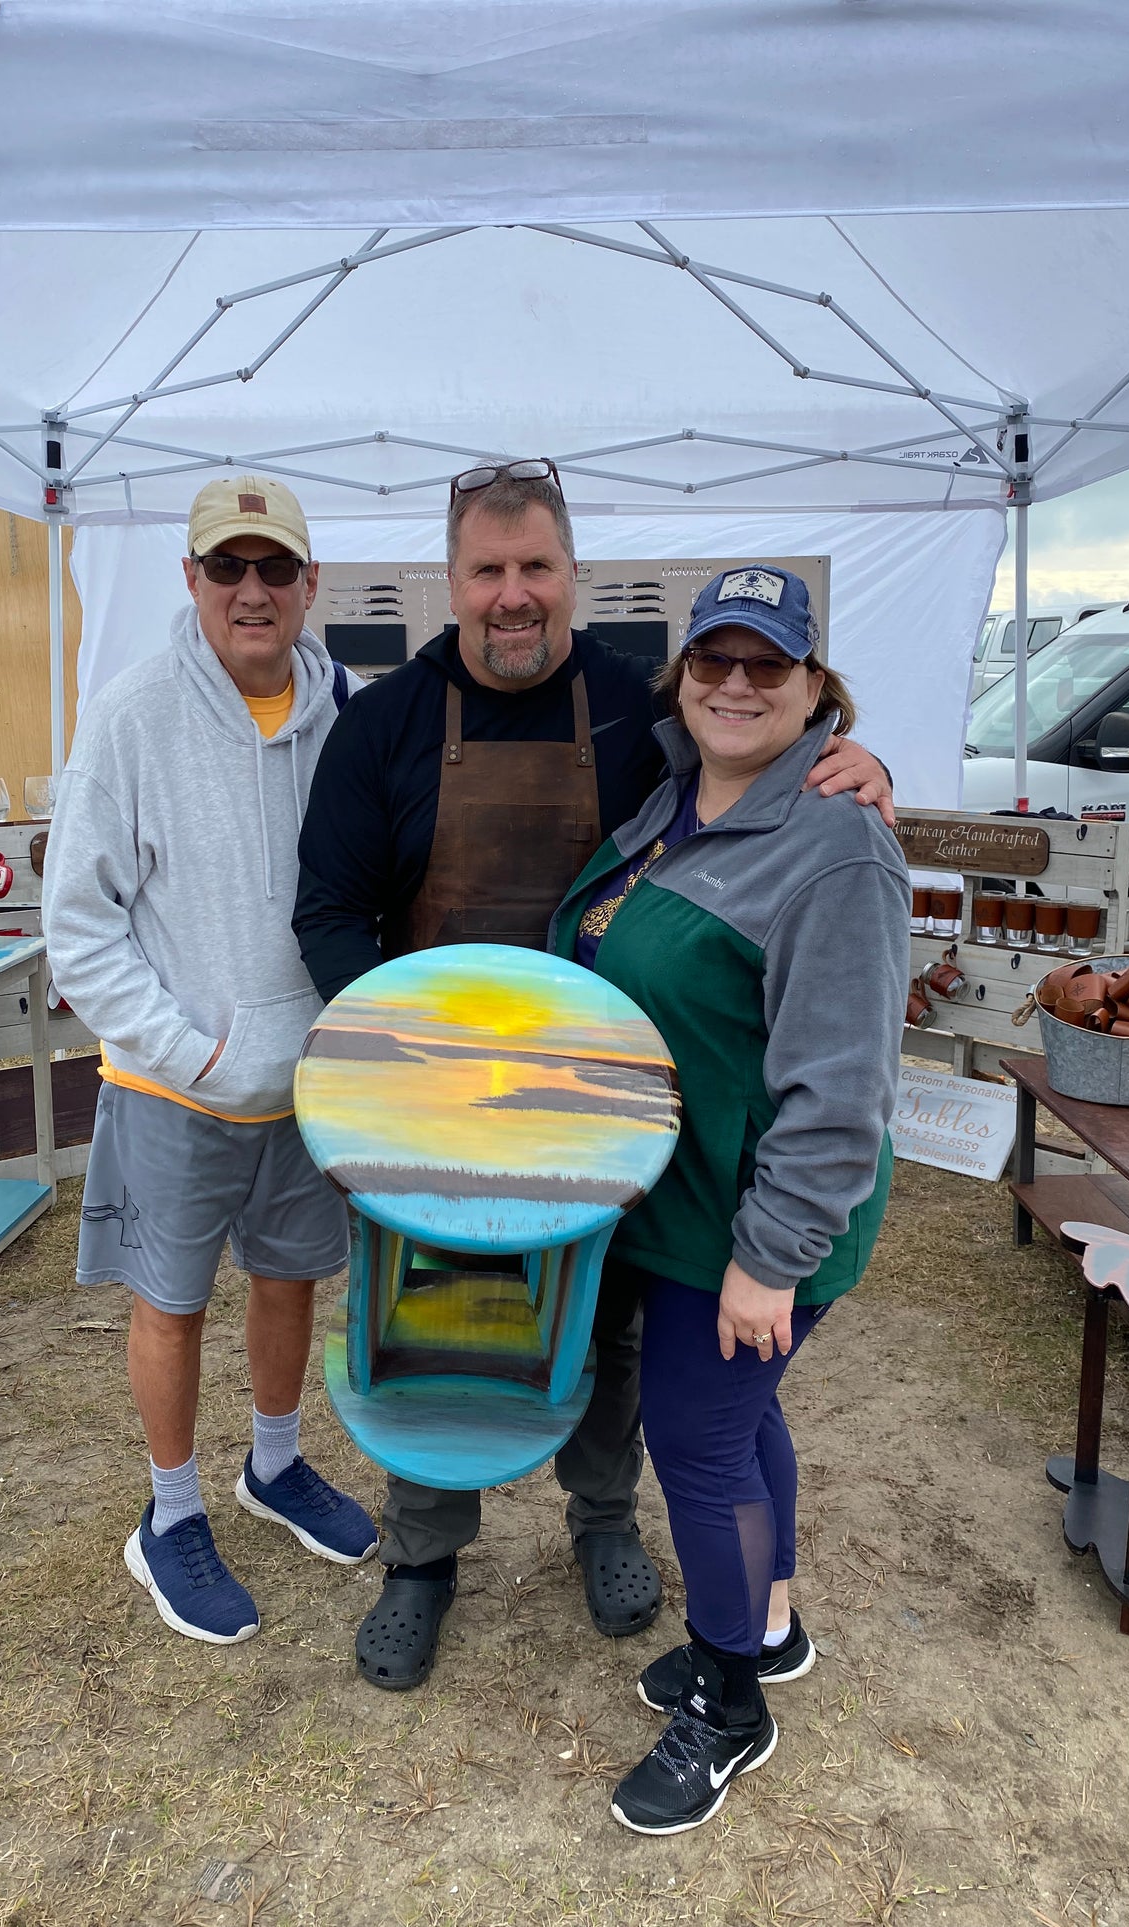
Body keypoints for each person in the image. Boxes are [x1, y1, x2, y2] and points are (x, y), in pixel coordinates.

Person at [292, 461, 896, 1690]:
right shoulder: (383, 725)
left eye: (535, 569)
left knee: (614, 1325)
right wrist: (400, 1059)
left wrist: (854, 758)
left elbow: (758, 784)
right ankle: (422, 1558)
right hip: (430, 1103)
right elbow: (328, 915)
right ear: (448, 582)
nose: (512, 596)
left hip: (602, 1110)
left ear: (569, 576)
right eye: (486, 571)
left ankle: (605, 1519)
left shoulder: (638, 713)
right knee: (427, 1321)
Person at [549, 563, 909, 1834]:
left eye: (770, 664)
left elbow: (840, 1085)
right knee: (738, 1421)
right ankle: (768, 1621)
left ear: (815, 688)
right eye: (716, 660)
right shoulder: (675, 802)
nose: (738, 683)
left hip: (750, 1223)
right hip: (680, 1201)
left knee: (696, 1439)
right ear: (682, 674)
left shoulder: (835, 847)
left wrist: (772, 1256)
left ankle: (727, 1700)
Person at [43, 475, 377, 1648]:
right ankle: (169, 1513)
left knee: (290, 1280)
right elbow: (79, 922)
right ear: (189, 579)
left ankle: (274, 1467)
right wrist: (188, 1050)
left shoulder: (346, 704)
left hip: (303, 1079)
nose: (251, 591)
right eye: (225, 568)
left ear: (307, 584)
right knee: (170, 1304)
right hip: (172, 1082)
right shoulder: (131, 715)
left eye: (273, 569)